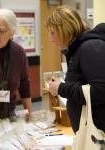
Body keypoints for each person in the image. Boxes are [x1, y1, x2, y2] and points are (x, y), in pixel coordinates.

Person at [47, 5, 105, 133]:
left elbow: (101, 91)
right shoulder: (78, 49)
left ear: (64, 29)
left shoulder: (90, 47)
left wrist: (61, 88)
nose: (51, 39)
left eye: (53, 33)